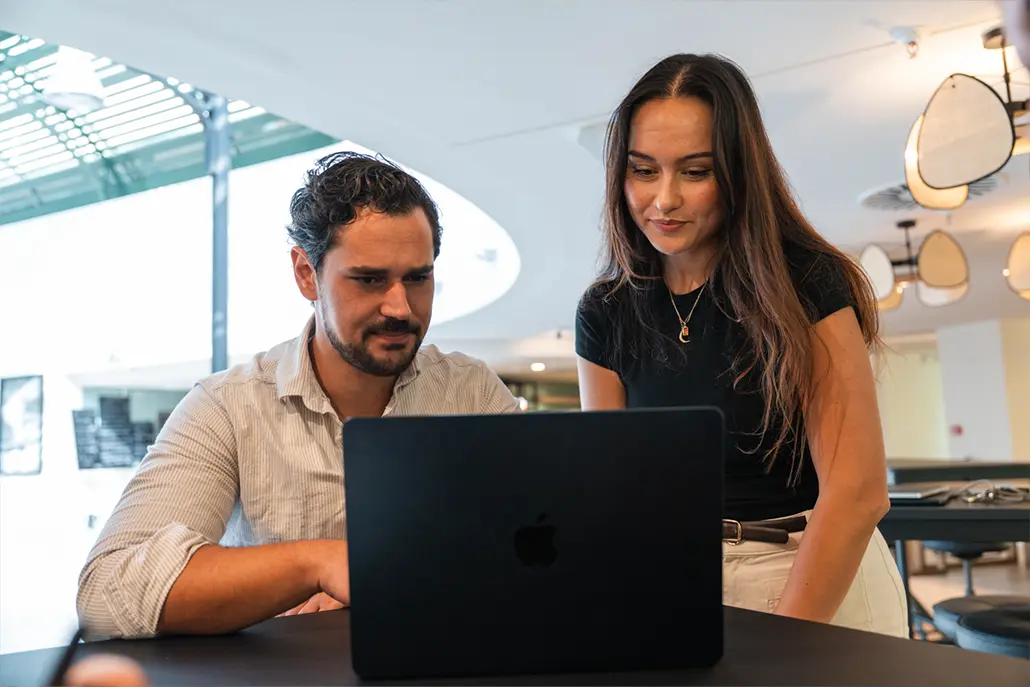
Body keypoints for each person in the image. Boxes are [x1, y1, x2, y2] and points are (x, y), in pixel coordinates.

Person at [77, 152, 521, 640]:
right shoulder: (228, 406)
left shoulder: (471, 391)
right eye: (369, 279)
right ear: (306, 274)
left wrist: (378, 581)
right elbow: (106, 595)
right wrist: (319, 563)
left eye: (418, 278)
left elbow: (531, 550)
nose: (400, 307)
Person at [574, 54, 908, 637]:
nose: (665, 199)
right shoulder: (606, 312)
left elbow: (857, 495)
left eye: (695, 171)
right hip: (681, 577)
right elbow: (614, 492)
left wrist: (784, 642)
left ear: (738, 172)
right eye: (644, 171)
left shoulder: (806, 283)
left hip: (815, 569)